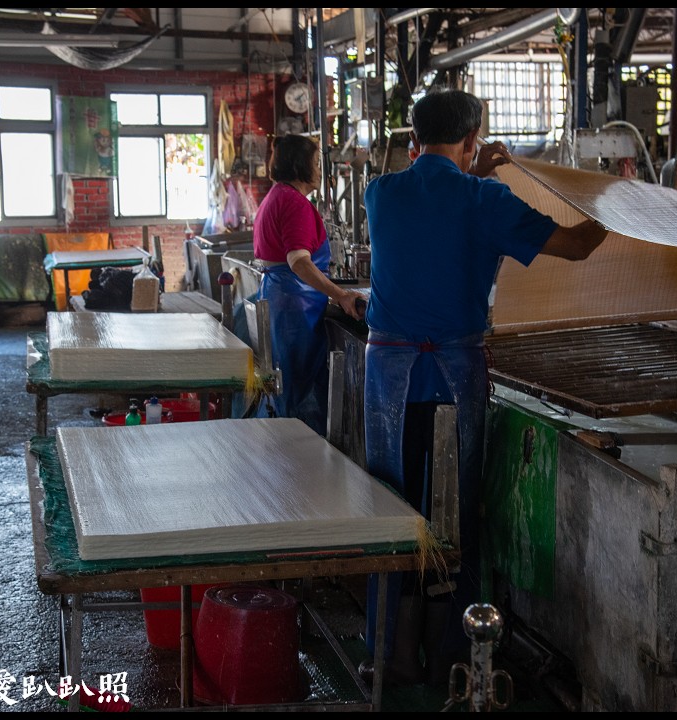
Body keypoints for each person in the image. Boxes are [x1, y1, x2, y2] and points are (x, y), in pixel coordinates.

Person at [361, 88, 607, 686]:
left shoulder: (379, 193)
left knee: (388, 509)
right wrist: (611, 206)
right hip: (452, 376)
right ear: (473, 140)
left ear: (413, 140)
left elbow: (433, 200)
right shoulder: (485, 200)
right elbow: (577, 244)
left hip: (388, 376)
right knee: (460, 517)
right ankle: (455, 655)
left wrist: (479, 167)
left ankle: (389, 651)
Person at [252, 134, 366, 434]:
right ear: (300, 165)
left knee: (287, 388)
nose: (319, 169)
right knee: (300, 393)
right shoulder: (294, 203)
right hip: (295, 307)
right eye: (316, 163)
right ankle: (304, 464)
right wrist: (340, 294)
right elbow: (299, 262)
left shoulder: (275, 196)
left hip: (282, 299)